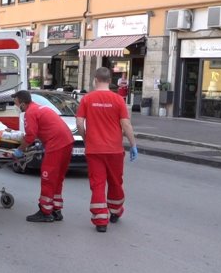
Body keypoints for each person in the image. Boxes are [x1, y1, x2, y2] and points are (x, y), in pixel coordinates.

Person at [76, 67, 138, 233]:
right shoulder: (118, 100)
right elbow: (126, 125)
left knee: (97, 184)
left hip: (94, 150)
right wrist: (133, 145)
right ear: (110, 81)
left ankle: (100, 220)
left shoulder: (87, 99)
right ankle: (116, 211)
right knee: (116, 182)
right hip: (115, 150)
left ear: (95, 79)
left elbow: (79, 124)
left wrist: (85, 138)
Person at [12, 90, 73, 222]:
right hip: (67, 141)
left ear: (22, 103)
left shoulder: (30, 113)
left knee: (48, 177)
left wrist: (20, 150)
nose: (16, 107)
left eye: (16, 104)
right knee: (57, 177)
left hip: (56, 144)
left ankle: (45, 212)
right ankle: (56, 209)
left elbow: (30, 136)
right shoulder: (40, 107)